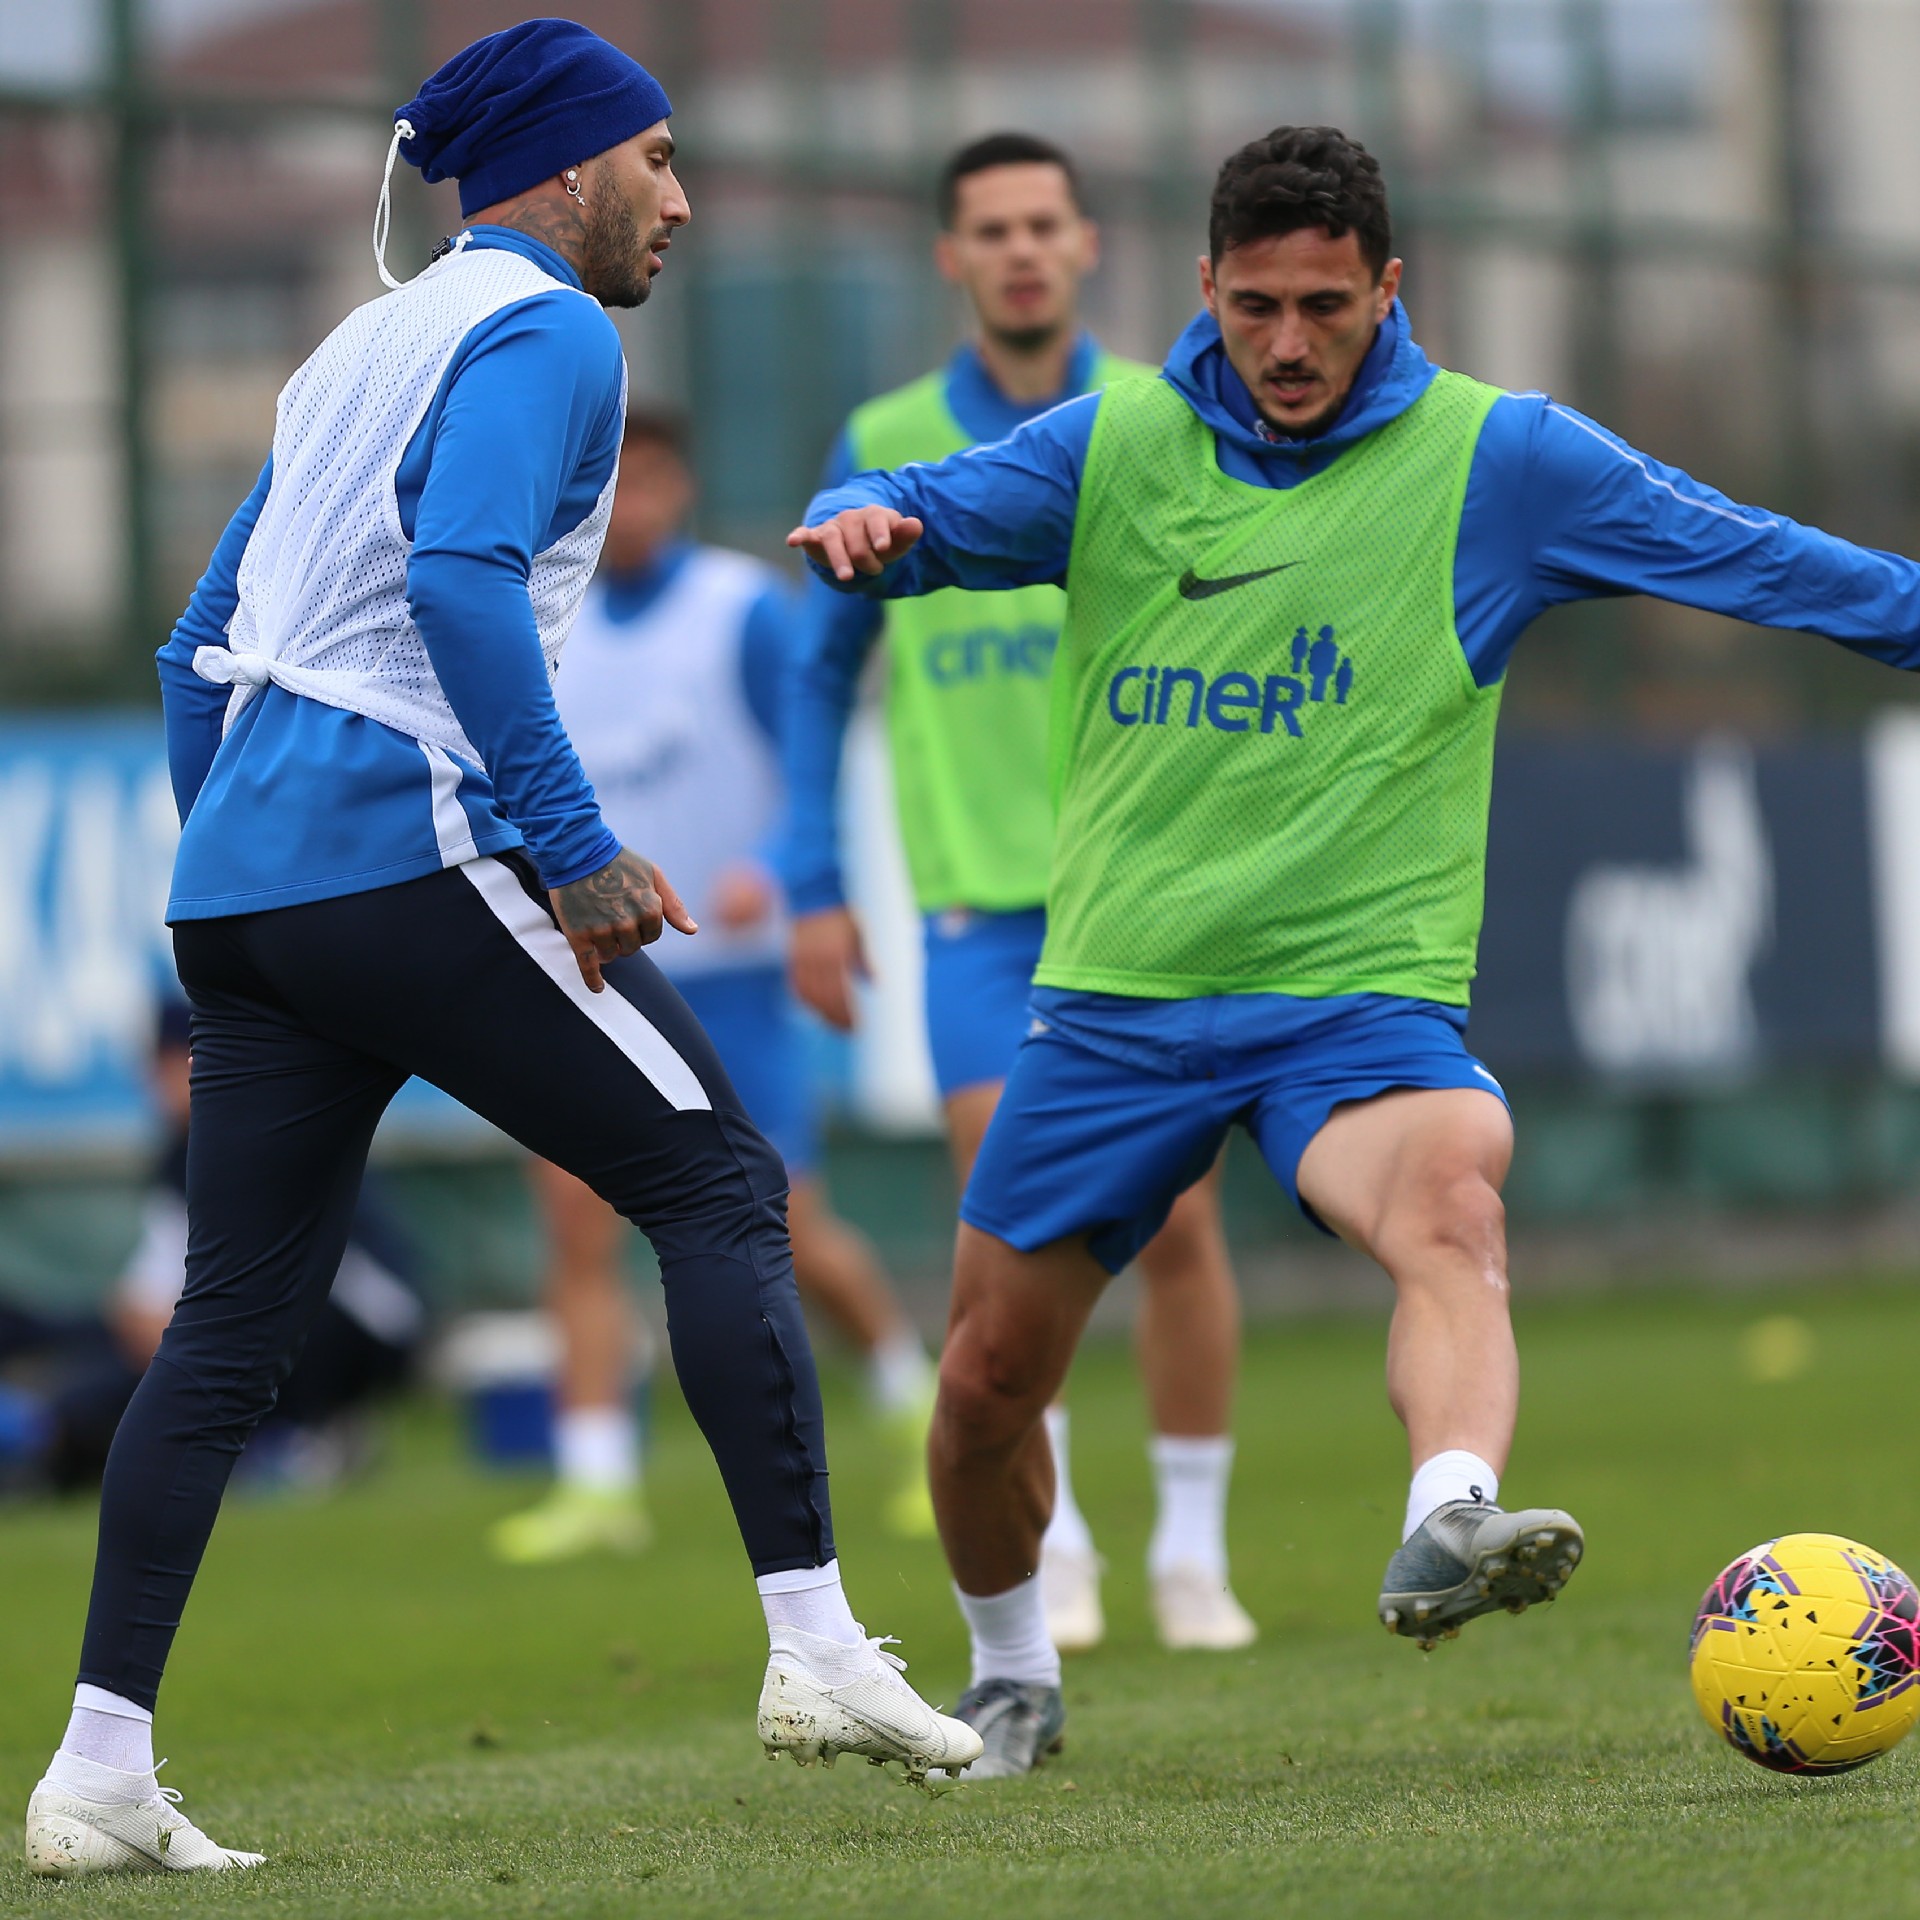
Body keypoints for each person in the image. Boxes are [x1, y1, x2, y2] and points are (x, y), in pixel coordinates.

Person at [793, 121, 1920, 1777]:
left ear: (1392, 286)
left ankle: (1451, 1511)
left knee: (1455, 1197)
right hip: (1117, 1005)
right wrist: (859, 516)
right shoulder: (1117, 442)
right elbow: (908, 506)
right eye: (1256, 307)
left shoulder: (1502, 460)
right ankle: (1013, 1670)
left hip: (1350, 1002)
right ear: (1205, 288)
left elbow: (1756, 556)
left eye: (1325, 306)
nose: (1289, 343)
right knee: (981, 1391)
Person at [24, 22, 976, 1882]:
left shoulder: (352, 348)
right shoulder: (550, 331)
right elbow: (460, 578)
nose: (680, 199)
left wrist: (246, 855)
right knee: (718, 1181)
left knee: (224, 1329)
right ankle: (813, 1649)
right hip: (400, 849)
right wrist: (571, 841)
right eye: (658, 158)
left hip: (242, 895)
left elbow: (195, 646)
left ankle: (97, 1770)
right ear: (564, 169)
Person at [783, 131, 1254, 1658]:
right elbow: (822, 671)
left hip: (1151, 895)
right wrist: (812, 881)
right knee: (1014, 1235)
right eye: (991, 229)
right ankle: (1063, 1549)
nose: (1022, 250)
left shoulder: (1164, 419)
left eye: (1044, 223)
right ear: (953, 257)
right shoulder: (889, 440)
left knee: (1178, 1227)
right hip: (980, 914)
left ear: (1088, 242)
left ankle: (1192, 1552)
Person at [491, 407, 938, 1566]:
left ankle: (910, 1394)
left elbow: (810, 758)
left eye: (648, 482)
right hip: (592, 969)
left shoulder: (741, 611)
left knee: (784, 1221)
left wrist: (775, 868)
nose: (627, 507)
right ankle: (596, 1479)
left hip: (729, 976)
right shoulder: (533, 619)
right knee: (573, 1220)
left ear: (682, 488)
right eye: (608, 486)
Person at [0, 1001, 422, 1497]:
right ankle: (60, 1442)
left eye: (174, 1062)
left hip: (356, 1317)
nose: (160, 1081)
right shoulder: (181, 1155)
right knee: (116, 1380)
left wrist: (175, 1325)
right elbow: (153, 1287)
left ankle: (305, 1437)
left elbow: (286, 1267)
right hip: (255, 1319)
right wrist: (147, 1321)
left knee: (216, 1344)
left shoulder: (274, 1126)